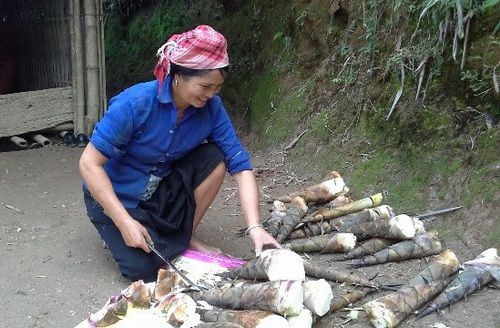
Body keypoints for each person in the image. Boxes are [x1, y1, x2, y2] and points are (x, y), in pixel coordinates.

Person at [79, 25, 280, 282]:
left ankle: (186, 236)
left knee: (215, 158)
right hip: (117, 197)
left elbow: (240, 166)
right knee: (143, 271)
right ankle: (117, 227)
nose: (211, 95)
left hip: (158, 193)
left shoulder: (212, 108)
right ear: (178, 76)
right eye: (205, 86)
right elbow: (89, 164)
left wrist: (256, 228)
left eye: (217, 88)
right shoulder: (135, 104)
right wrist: (124, 223)